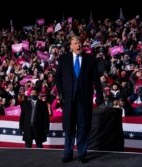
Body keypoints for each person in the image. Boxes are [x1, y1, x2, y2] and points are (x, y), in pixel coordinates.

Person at [55, 35, 104, 163]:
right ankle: (68, 154)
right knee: (69, 128)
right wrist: (60, 93)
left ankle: (82, 154)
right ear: (71, 46)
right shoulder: (63, 59)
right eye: (76, 43)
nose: (79, 45)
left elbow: (96, 80)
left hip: (84, 101)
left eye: (80, 43)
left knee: (83, 127)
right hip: (69, 101)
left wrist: (99, 95)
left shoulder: (90, 59)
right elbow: (57, 78)